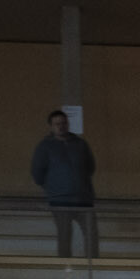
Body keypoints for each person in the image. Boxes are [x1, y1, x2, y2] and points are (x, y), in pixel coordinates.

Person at [30, 108, 97, 259]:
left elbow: (90, 167)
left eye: (64, 123)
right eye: (57, 124)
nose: (61, 126)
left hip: (83, 198)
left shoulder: (81, 144)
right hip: (60, 199)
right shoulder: (45, 146)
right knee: (64, 236)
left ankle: (94, 265)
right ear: (51, 126)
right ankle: (66, 268)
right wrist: (52, 187)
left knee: (91, 235)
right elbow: (37, 172)